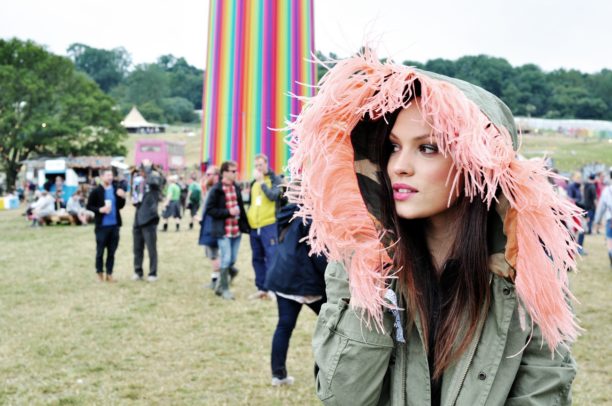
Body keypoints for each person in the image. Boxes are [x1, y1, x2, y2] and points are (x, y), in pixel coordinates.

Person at [287, 52, 579, 405]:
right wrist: (374, 281)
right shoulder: (357, 262)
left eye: (427, 148)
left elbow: (542, 393)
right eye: (392, 147)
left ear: (477, 163)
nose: (399, 167)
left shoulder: (529, 275)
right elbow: (342, 397)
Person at [265, 202, 327, 386]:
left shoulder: (289, 211)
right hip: (302, 280)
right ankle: (322, 375)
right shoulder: (311, 216)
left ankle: (279, 374)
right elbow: (320, 255)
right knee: (330, 326)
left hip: (285, 276)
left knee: (285, 326)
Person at [204, 161, 250, 300]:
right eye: (232, 171)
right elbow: (210, 210)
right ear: (224, 173)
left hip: (236, 230)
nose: (235, 173)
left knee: (232, 259)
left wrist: (245, 225)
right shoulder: (216, 189)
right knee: (226, 259)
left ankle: (219, 286)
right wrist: (228, 212)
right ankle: (224, 289)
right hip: (223, 231)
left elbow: (241, 207)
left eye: (236, 171)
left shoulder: (236, 187)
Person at [246, 154, 282, 299]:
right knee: (257, 258)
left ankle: (273, 288)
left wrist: (262, 183)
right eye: (256, 166)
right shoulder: (253, 183)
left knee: (271, 256)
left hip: (269, 225)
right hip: (255, 226)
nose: (258, 168)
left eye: (260, 165)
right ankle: (261, 288)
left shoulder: (274, 179)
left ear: (266, 164)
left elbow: (274, 196)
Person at [86, 169, 126, 282]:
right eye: (108, 175)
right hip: (102, 226)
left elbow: (120, 206)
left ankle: (109, 274)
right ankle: (99, 273)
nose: (110, 177)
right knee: (100, 251)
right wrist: (100, 209)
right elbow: (89, 206)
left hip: (114, 226)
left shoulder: (115, 190)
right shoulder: (96, 191)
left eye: (111, 175)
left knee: (112, 251)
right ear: (102, 177)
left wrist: (122, 197)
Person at [132, 161, 164, 282]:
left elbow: (157, 181)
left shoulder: (154, 180)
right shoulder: (139, 182)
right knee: (137, 247)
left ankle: (152, 272)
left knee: (151, 248)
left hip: (149, 218)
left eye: (142, 170)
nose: (140, 172)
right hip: (138, 216)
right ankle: (138, 271)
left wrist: (149, 169)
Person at [198, 166, 222, 288]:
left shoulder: (218, 190)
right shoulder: (211, 189)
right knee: (211, 254)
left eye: (209, 174)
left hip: (214, 226)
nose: (206, 177)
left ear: (216, 175)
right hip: (208, 224)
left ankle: (219, 280)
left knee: (214, 254)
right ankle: (216, 279)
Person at [594, 169, 612, 268]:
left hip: (610, 219)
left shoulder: (607, 190)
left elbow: (601, 207)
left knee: (610, 243)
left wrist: (597, 221)